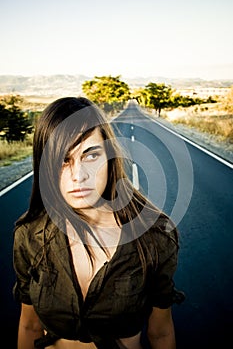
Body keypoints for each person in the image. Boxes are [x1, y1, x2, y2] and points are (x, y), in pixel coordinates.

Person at [13, 96, 185, 349]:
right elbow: (29, 326)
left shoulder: (154, 235)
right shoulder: (30, 235)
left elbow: (160, 333)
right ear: (44, 166)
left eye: (91, 156)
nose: (78, 176)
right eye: (62, 160)